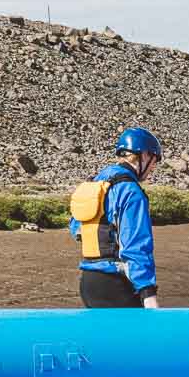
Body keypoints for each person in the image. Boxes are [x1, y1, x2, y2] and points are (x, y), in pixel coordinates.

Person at [70, 127, 162, 308]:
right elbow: (136, 245)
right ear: (143, 155)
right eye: (154, 160)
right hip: (116, 284)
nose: (153, 167)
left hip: (89, 282)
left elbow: (76, 228)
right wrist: (148, 292)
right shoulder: (131, 191)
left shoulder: (98, 183)